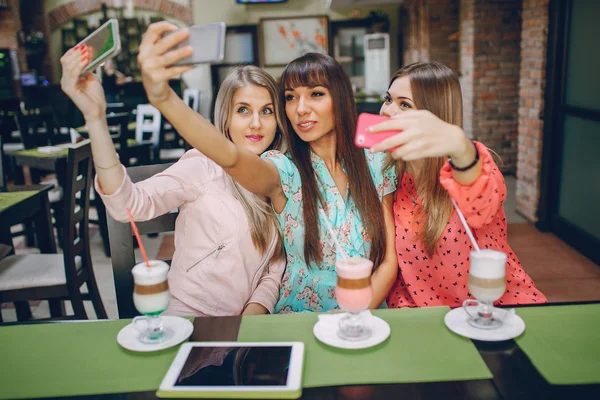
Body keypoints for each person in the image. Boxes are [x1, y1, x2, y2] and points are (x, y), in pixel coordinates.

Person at [136, 22, 398, 313]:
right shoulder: (283, 169)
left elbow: (388, 261)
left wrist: (358, 312)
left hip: (366, 314)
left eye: (315, 94)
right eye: (290, 97)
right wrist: (164, 99)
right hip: (301, 319)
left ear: (341, 99)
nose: (300, 109)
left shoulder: (375, 163)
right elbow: (231, 157)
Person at [60, 45, 286, 316]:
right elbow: (127, 205)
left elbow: (275, 268)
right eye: (243, 110)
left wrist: (252, 316)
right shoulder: (203, 166)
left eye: (267, 111)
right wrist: (95, 119)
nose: (256, 124)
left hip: (247, 327)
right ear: (226, 117)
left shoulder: (284, 176)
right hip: (186, 317)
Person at [367, 61, 547, 308]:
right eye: (388, 100)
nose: (387, 112)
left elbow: (482, 202)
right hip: (433, 323)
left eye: (405, 105)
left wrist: (462, 149)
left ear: (436, 116)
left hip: (497, 310)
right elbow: (404, 278)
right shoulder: (391, 176)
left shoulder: (467, 165)